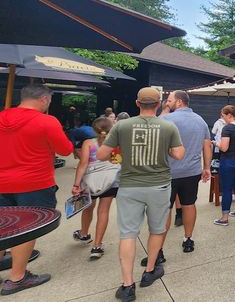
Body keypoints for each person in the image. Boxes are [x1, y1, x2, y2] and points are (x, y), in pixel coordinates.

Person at [96, 87, 184, 301]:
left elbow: (101, 154)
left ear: (137, 103)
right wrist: (167, 149)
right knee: (156, 229)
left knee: (128, 234)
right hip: (159, 186)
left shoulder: (122, 126)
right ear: (159, 103)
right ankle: (150, 270)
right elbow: (179, 155)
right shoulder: (168, 126)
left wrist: (116, 152)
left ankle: (127, 285)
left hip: (129, 186)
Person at [0, 85, 73, 295]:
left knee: (3, 227)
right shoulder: (46, 121)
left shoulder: (2, 116)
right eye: (49, 100)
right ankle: (17, 277)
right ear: (43, 99)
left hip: (2, 180)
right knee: (26, 228)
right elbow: (65, 149)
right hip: (33, 182)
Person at [160, 91, 212, 254]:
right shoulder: (200, 120)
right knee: (189, 204)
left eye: (170, 100)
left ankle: (158, 247)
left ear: (180, 102)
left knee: (164, 209)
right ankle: (188, 239)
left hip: (168, 171)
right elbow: (207, 146)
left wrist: (165, 110)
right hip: (192, 171)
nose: (168, 103)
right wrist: (207, 167)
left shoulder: (166, 119)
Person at [71, 117, 121, 260]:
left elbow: (83, 164)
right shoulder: (114, 142)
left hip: (90, 182)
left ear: (94, 129)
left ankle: (84, 234)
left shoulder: (88, 143)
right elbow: (116, 161)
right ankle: (97, 246)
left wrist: (76, 184)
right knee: (103, 211)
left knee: (88, 208)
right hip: (110, 181)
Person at [211, 105, 235, 226]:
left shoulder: (227, 129)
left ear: (229, 115)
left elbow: (224, 147)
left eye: (223, 116)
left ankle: (224, 217)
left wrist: (216, 142)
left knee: (227, 188)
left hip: (228, 161)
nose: (222, 118)